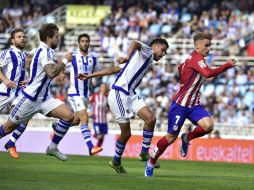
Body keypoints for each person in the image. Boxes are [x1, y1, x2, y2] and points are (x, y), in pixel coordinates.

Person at [144, 32, 237, 177]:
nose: (209, 48)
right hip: (180, 105)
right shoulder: (197, 58)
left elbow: (181, 68)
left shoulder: (191, 58)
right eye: (206, 45)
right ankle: (151, 162)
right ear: (197, 45)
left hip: (193, 105)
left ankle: (187, 137)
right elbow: (207, 74)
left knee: (208, 125)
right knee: (170, 137)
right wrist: (226, 66)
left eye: (210, 45)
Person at [77, 38, 169, 173]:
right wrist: (127, 56)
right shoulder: (147, 51)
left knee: (151, 119)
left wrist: (90, 75)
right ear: (155, 47)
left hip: (130, 94)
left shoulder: (141, 59)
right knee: (126, 133)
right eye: (163, 50)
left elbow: (112, 69)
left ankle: (143, 153)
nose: (163, 54)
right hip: (119, 94)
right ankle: (116, 161)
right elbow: (134, 42)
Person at [0, 23, 74, 161]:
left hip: (45, 98)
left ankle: (52, 147)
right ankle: (11, 142)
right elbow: (51, 73)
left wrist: (33, 79)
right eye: (56, 37)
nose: (59, 39)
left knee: (69, 117)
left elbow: (32, 65)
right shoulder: (44, 51)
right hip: (29, 99)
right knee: (8, 128)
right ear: (48, 37)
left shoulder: (46, 51)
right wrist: (65, 60)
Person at [51, 33, 103, 156]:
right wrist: (62, 73)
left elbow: (99, 73)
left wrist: (96, 75)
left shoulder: (93, 58)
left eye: (86, 41)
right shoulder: (73, 56)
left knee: (75, 121)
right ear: (79, 43)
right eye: (82, 41)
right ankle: (91, 147)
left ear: (89, 43)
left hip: (86, 95)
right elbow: (60, 66)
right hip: (75, 93)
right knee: (85, 117)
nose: (84, 43)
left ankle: (58, 125)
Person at [0, 28, 30, 159]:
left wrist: (28, 80)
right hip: (4, 91)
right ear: (13, 40)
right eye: (19, 37)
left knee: (24, 117)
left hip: (18, 94)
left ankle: (11, 143)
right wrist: (5, 80)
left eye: (23, 36)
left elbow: (24, 72)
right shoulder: (7, 53)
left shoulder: (24, 55)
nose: (22, 38)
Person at [90, 83, 109, 148]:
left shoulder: (107, 97)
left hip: (104, 120)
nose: (104, 88)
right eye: (102, 87)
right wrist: (89, 112)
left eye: (105, 87)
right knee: (99, 137)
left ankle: (96, 150)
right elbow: (87, 103)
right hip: (97, 119)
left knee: (102, 138)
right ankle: (88, 131)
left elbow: (109, 106)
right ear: (100, 88)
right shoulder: (95, 96)